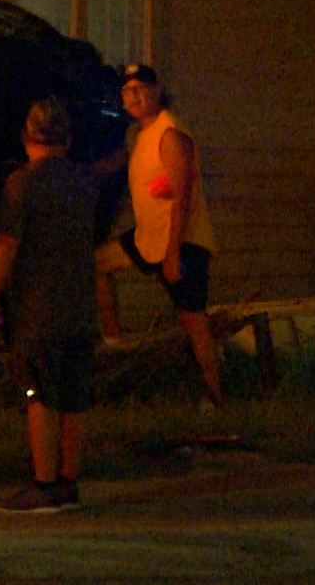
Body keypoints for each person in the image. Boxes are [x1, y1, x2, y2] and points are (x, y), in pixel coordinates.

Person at [0, 97, 101, 514]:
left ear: (26, 138)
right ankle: (69, 482)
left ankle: (44, 484)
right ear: (67, 141)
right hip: (81, 306)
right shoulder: (85, 183)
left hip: (39, 307)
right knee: (75, 396)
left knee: (40, 395)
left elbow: (6, 245)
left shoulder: (22, 183)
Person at [92, 64, 223, 407]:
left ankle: (213, 398)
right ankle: (114, 342)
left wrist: (173, 253)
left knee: (192, 319)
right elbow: (122, 161)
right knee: (96, 264)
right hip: (148, 237)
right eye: (126, 91)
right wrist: (78, 174)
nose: (133, 96)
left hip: (182, 242)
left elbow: (183, 198)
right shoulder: (139, 134)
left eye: (140, 89)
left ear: (156, 90)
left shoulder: (171, 134)